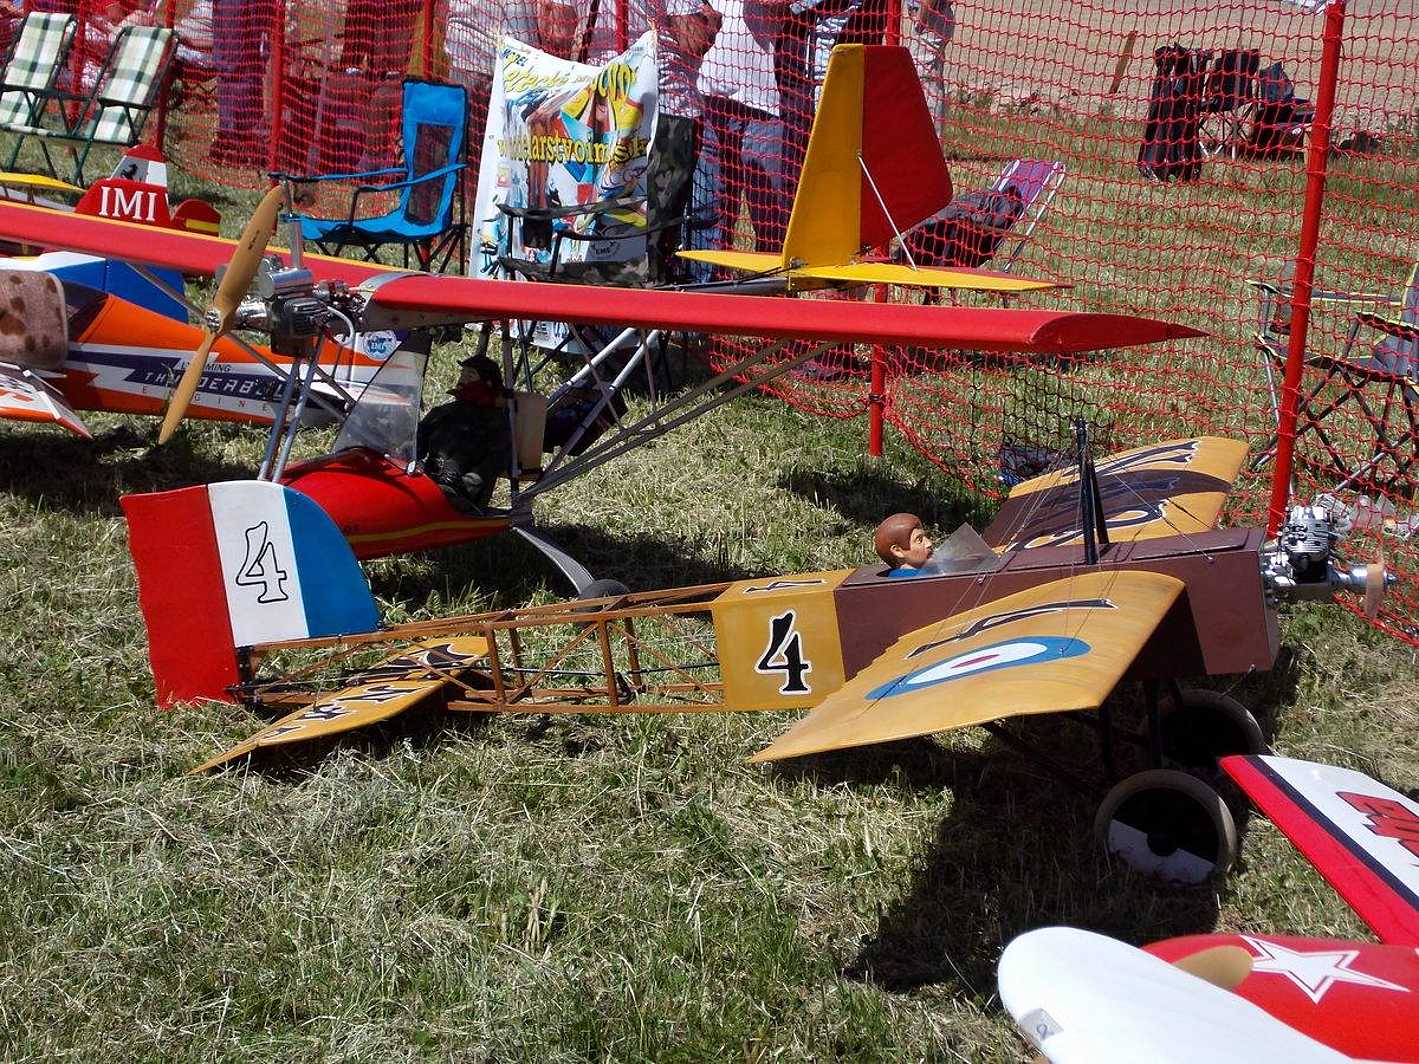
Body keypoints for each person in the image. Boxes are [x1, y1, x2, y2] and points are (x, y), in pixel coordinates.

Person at [696, 0, 791, 253]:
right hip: (710, 92)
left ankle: (769, 277)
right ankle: (708, 275)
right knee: (707, 208)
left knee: (769, 211)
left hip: (765, 100)